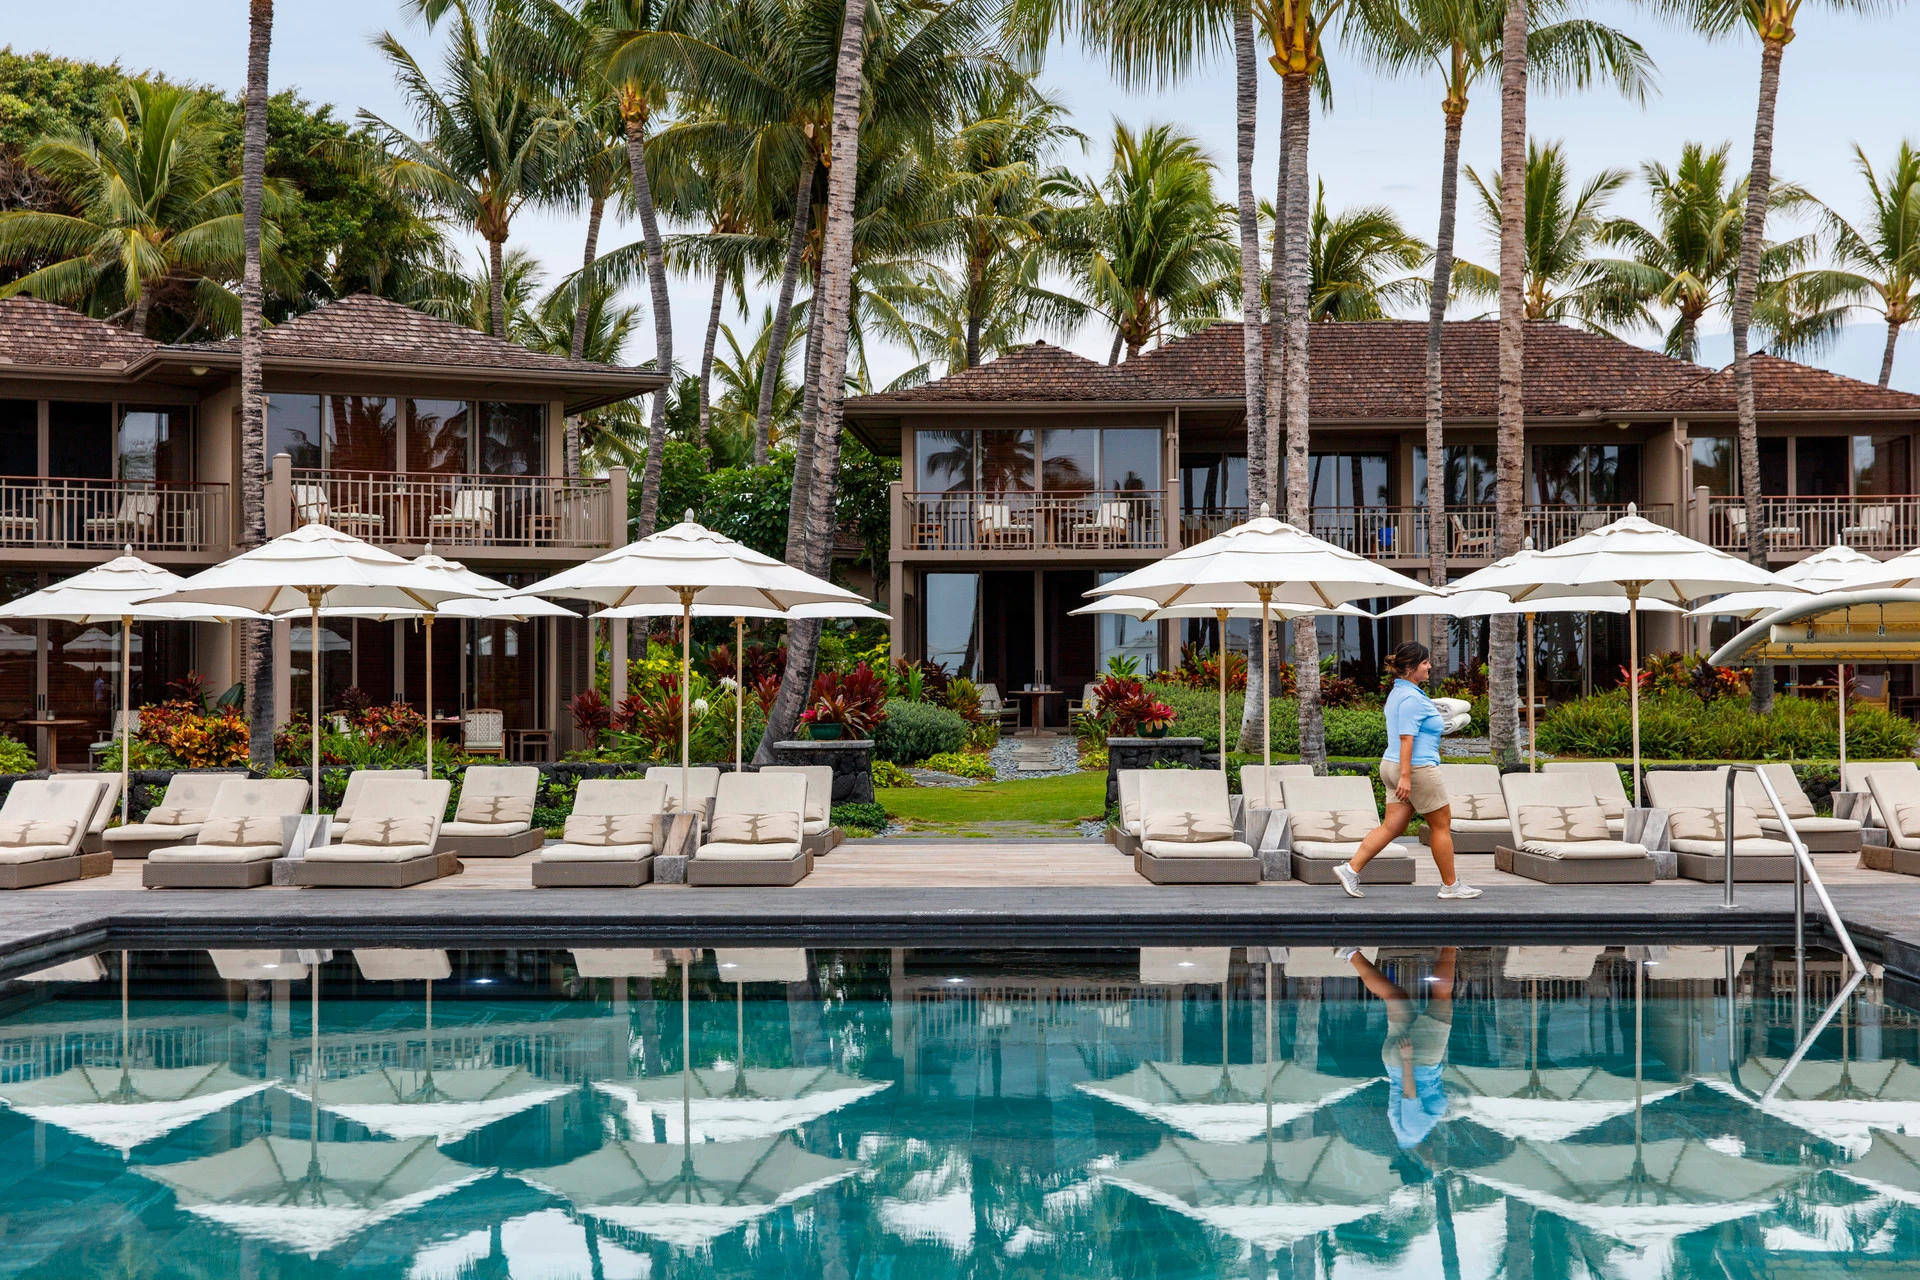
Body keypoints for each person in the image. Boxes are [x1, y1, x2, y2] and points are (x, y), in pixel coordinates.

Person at [1333, 641, 1481, 900]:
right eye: (1425, 663)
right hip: (1415, 767)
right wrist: (1405, 777)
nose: (1429, 666)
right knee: (1441, 825)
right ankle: (1451, 885)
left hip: (1392, 764)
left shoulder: (1400, 692)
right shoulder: (1412, 698)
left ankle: (1350, 869)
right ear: (1412, 667)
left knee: (1392, 826)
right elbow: (1406, 739)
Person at [1344, 946, 1457, 1150]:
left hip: (1416, 1062)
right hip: (1393, 1063)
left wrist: (1407, 1058)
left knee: (1442, 995)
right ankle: (1351, 953)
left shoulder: (1415, 1131)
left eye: (1429, 1166)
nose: (1434, 1162)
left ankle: (1451, 940)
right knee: (1395, 996)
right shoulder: (1403, 1135)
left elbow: (1409, 1094)